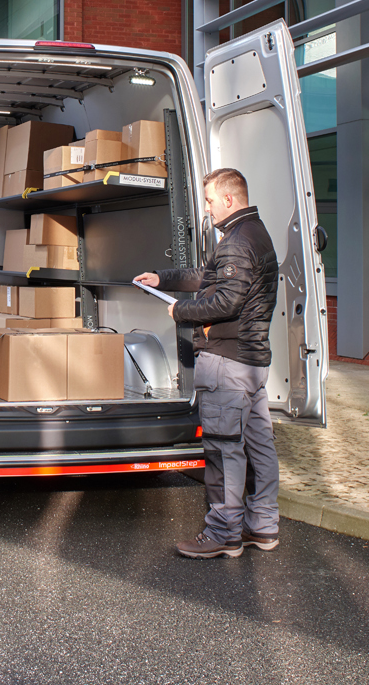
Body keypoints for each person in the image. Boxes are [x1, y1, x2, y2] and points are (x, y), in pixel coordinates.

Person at [135, 167, 280, 559]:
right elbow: (209, 277)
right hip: (252, 360)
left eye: (211, 201)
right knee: (259, 445)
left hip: (225, 362)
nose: (208, 209)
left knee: (222, 448)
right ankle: (262, 526)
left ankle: (224, 532)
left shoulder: (235, 241)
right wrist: (162, 278)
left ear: (229, 199)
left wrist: (181, 311)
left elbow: (224, 302)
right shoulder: (255, 233)